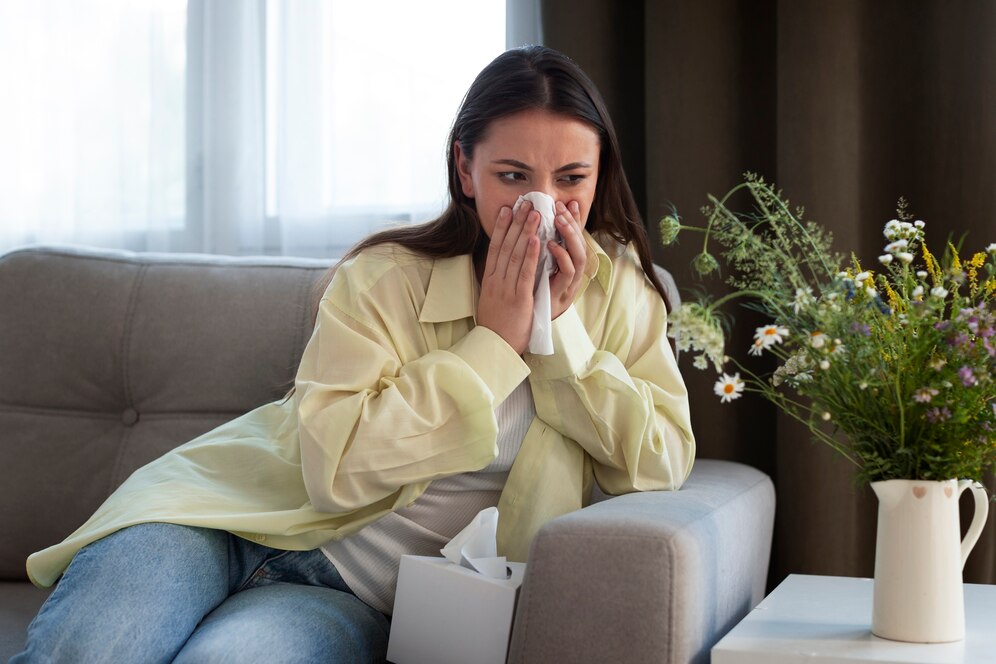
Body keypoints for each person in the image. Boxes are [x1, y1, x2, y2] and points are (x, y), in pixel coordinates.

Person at [13, 45, 695, 663]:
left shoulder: (622, 292)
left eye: (571, 178)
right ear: (465, 169)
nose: (543, 206)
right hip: (216, 521)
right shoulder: (386, 277)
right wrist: (491, 344)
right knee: (84, 652)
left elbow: (660, 462)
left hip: (346, 594)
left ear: (600, 173)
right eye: (513, 176)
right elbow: (335, 470)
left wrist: (558, 332)